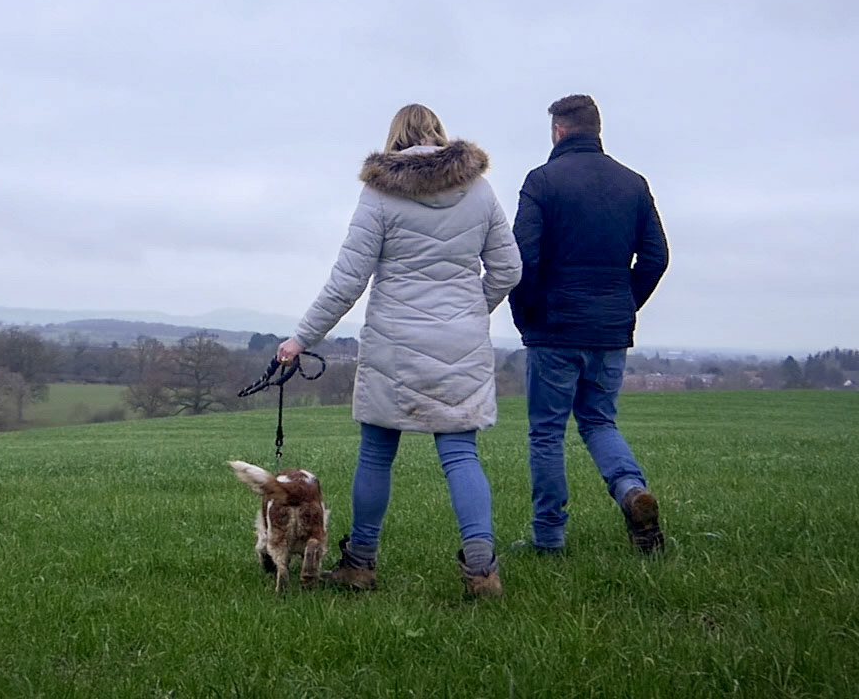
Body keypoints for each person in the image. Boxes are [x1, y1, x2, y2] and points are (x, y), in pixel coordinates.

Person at [277, 103, 522, 598]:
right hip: (462, 343)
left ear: (395, 139)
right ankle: (481, 566)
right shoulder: (479, 190)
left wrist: (302, 339)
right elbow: (509, 269)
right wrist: (473, 311)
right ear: (438, 133)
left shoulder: (380, 193)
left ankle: (360, 563)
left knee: (376, 453)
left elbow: (348, 281)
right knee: (460, 453)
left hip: (394, 343)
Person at [509, 94, 669, 555]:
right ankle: (631, 491)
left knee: (547, 433)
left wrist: (528, 315)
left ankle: (549, 539)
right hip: (609, 330)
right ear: (596, 130)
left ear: (558, 131)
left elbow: (523, 259)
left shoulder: (541, 182)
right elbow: (656, 258)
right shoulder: (633, 184)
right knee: (599, 422)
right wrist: (624, 304)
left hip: (555, 329)